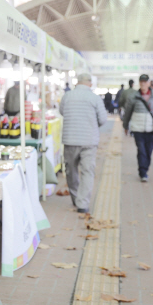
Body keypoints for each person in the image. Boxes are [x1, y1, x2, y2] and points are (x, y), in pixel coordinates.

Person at [59, 73, 107, 213]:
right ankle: (82, 204)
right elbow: (103, 119)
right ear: (90, 84)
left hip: (70, 139)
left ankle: (75, 198)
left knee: (71, 171)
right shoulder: (94, 98)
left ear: (77, 83)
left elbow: (62, 112)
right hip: (89, 141)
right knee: (87, 172)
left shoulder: (67, 96)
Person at [122, 74, 153, 182]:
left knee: (149, 150)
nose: (143, 83)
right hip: (137, 128)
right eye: (141, 81)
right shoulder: (133, 96)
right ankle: (143, 172)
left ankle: (145, 167)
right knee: (141, 150)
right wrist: (125, 125)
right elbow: (127, 113)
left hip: (151, 129)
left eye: (145, 81)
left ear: (149, 83)